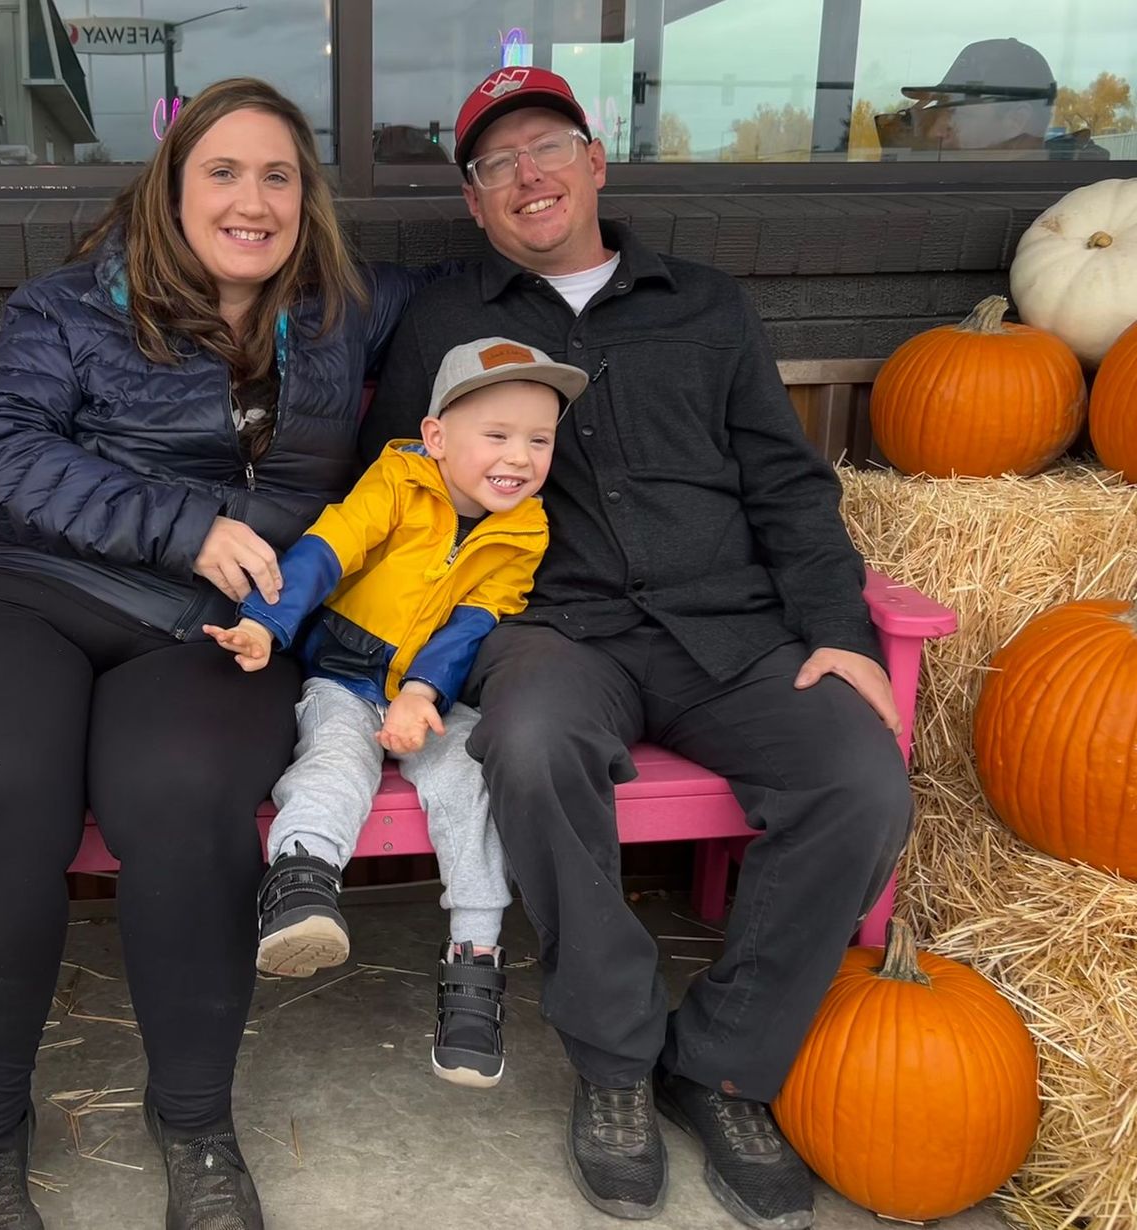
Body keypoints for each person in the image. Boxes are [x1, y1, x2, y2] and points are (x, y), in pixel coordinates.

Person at [362, 66, 912, 1230]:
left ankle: (717, 1062)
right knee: (527, 741)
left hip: (728, 629)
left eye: (546, 146)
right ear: (472, 203)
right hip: (552, 631)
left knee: (858, 778)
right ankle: (612, 1062)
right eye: (494, 165)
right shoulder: (447, 323)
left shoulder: (703, 305)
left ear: (593, 161)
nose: (526, 176)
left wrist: (836, 631)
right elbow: (396, 491)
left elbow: (784, 487)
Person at [0, 77, 437, 1230]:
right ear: (171, 189)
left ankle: (194, 1128)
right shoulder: (72, 308)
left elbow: (487, 300)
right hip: (31, 594)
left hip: (209, 633)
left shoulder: (348, 310)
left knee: (183, 798)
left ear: (308, 199)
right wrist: (181, 523)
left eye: (278, 175)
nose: (252, 200)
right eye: (223, 173)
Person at [205, 337, 583, 1088]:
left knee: (466, 778)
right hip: (343, 675)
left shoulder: (526, 528)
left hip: (426, 692)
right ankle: (302, 884)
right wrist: (264, 623)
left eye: (539, 440)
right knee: (333, 760)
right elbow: (327, 550)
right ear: (438, 438)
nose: (520, 457)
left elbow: (477, 619)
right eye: (498, 436)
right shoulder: (399, 481)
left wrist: (423, 694)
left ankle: (475, 961)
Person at [875, 37, 1110, 161]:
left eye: (955, 110)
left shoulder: (1072, 204)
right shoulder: (963, 176)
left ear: (1016, 120)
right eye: (937, 108)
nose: (935, 131)